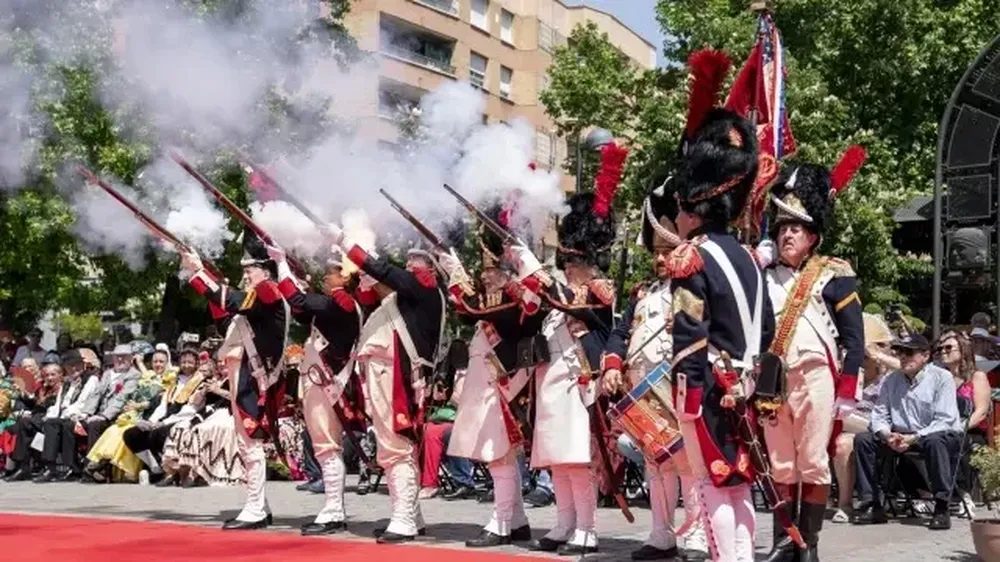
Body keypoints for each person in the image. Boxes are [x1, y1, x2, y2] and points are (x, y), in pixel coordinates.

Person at [666, 60, 775, 559]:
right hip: (747, 385)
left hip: (708, 389)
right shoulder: (752, 258)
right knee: (739, 485)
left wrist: (687, 395)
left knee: (712, 487)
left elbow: (689, 331)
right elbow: (768, 328)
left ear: (694, 207)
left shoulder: (691, 257)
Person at [513, 142, 627, 556]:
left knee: (578, 461)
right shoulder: (566, 292)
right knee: (557, 459)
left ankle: (587, 529)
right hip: (553, 385)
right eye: (568, 266)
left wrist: (539, 275)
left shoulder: (600, 289)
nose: (571, 270)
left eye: (574, 264)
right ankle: (564, 523)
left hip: (581, 384)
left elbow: (576, 303)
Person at [759, 150, 866, 562]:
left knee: (814, 462)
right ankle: (784, 540)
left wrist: (848, 392)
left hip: (817, 376)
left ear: (813, 236)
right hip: (773, 381)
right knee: (782, 464)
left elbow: (854, 341)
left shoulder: (832, 274)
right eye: (783, 227)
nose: (787, 235)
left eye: (797, 228)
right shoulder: (761, 276)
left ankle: (810, 543)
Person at [601, 178, 709, 561]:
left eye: (668, 250)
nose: (661, 259)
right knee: (656, 464)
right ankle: (661, 534)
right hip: (643, 393)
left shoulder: (693, 289)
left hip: (676, 387)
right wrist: (612, 363)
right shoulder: (642, 293)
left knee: (688, 464)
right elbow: (619, 333)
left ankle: (697, 535)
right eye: (657, 252)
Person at [329, 224, 446, 544]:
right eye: (408, 260)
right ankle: (411, 514)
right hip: (387, 374)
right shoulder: (403, 298)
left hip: (398, 376)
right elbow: (370, 291)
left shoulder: (424, 289)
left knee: (397, 446)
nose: (410, 265)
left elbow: (384, 271)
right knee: (393, 445)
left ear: (432, 268)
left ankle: (404, 518)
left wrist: (344, 240)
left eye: (417, 261)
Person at [439, 203, 545, 548]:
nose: (484, 275)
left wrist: (525, 261)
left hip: (506, 382)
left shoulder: (518, 298)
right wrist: (450, 264)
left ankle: (500, 522)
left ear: (507, 271)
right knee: (500, 454)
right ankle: (517, 520)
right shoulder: (494, 298)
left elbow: (481, 306)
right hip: (490, 382)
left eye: (491, 270)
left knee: (499, 453)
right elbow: (469, 306)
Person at [179, 228, 290, 530]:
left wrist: (200, 273)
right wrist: (203, 274)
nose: (246, 274)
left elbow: (235, 300)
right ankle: (259, 505)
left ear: (265, 271)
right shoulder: (253, 302)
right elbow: (224, 314)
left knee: (251, 445)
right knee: (246, 445)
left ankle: (254, 509)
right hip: (243, 378)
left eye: (250, 269)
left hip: (254, 381)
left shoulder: (269, 294)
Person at [270, 247, 363, 536]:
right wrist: (301, 282)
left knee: (325, 446)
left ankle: (334, 510)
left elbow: (295, 298)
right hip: (324, 382)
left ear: (345, 279)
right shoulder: (335, 303)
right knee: (325, 445)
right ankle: (333, 507)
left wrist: (282, 264)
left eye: (332, 273)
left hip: (327, 382)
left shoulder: (342, 302)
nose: (325, 277)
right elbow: (301, 312)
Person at [851, 333, 963, 531]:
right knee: (863, 440)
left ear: (925, 356)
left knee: (935, 442)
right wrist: (887, 435)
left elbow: (945, 420)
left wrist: (914, 437)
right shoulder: (891, 380)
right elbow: (879, 415)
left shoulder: (941, 377)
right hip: (899, 435)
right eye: (899, 351)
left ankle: (942, 507)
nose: (902, 356)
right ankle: (872, 504)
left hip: (933, 433)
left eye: (909, 352)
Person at [35, 345, 140, 482]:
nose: (120, 359)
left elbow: (122, 398)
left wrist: (103, 416)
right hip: (95, 413)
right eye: (117, 356)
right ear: (113, 358)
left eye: (124, 356)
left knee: (94, 424)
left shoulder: (134, 375)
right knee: (69, 425)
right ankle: (71, 467)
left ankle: (90, 468)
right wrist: (85, 414)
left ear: (131, 359)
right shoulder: (108, 373)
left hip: (116, 416)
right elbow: (96, 395)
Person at [831, 313, 899, 523]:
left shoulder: (888, 377)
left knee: (843, 444)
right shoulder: (849, 373)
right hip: (846, 425)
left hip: (877, 427)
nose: (860, 359)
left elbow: (907, 368)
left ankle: (844, 504)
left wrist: (875, 354)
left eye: (864, 355)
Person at [117, 348, 203, 483]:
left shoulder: (199, 381)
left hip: (184, 418)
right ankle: (155, 467)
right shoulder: (173, 379)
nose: (186, 365)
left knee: (157, 434)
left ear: (196, 364)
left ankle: (170, 471)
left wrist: (164, 422)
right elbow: (163, 405)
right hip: (167, 414)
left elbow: (190, 409)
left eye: (190, 362)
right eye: (184, 362)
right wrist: (151, 421)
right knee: (132, 434)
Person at [936, 330, 991, 516]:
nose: (943, 351)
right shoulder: (938, 379)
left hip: (971, 432)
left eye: (949, 347)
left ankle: (960, 495)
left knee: (951, 441)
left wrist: (959, 427)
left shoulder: (977, 377)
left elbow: (981, 411)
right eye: (941, 348)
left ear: (963, 350)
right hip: (943, 429)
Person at [5, 360, 64, 480]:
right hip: (37, 417)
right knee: (19, 424)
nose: (49, 377)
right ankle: (23, 466)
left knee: (24, 423)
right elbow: (34, 401)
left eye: (53, 375)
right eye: (47, 375)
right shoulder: (43, 388)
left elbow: (54, 406)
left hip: (52, 418)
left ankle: (46, 468)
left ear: (60, 375)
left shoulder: (61, 388)